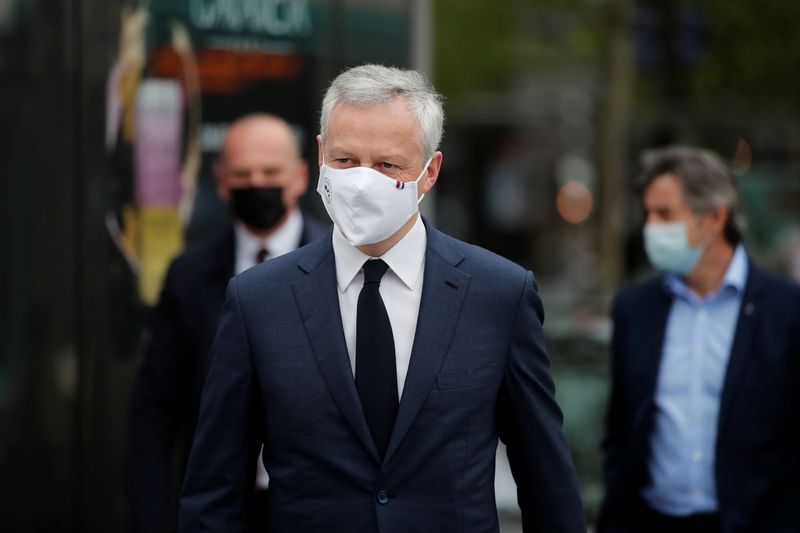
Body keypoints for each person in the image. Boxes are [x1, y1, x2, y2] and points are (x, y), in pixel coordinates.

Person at [178, 65, 585, 532]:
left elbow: (546, 479)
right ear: (319, 155)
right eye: (346, 161)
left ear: (429, 171)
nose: (362, 182)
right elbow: (215, 490)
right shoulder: (258, 301)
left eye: (387, 165)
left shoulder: (498, 294)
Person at [128, 113, 327, 533]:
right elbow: (155, 412)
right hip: (222, 511)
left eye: (270, 171)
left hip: (318, 510)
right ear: (222, 183)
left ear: (300, 176)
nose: (257, 183)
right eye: (243, 174)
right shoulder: (188, 276)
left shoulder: (342, 266)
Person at [599, 145, 800, 533]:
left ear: (715, 217)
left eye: (665, 214)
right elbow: (621, 428)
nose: (650, 228)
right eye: (648, 214)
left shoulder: (786, 310)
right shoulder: (635, 307)